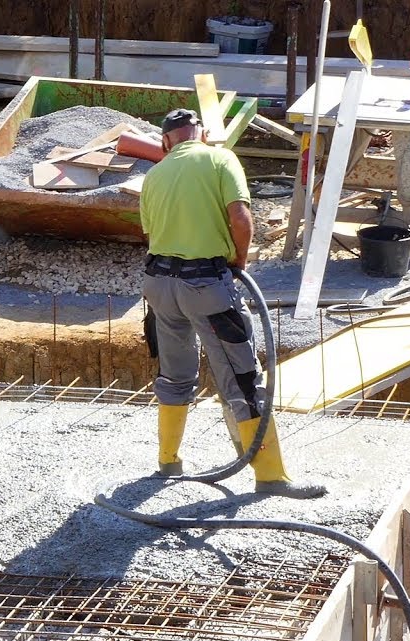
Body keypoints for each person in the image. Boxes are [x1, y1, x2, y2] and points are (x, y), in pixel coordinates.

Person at [138, 108, 325, 499]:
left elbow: (152, 233)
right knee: (241, 377)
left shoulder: (153, 176)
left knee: (174, 375)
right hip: (204, 286)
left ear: (165, 141)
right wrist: (238, 260)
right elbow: (240, 218)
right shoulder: (220, 158)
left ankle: (168, 463)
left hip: (158, 286)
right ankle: (271, 475)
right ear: (200, 135)